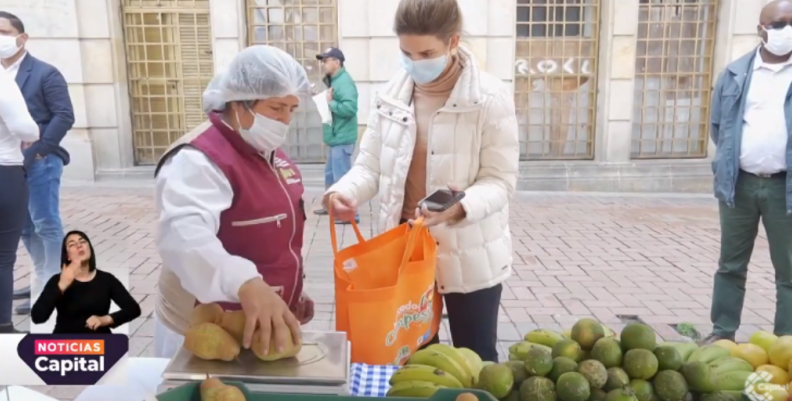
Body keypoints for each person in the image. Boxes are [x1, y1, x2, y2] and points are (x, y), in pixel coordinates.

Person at [323, 0, 519, 362]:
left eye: (426, 52)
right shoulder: (391, 96)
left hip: (469, 248)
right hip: (406, 247)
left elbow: (500, 180)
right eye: (406, 52)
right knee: (412, 355)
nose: (415, 63)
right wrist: (343, 191)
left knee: (475, 358)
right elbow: (369, 165)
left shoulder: (489, 98)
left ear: (454, 41)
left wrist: (459, 208)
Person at [153, 45, 314, 359]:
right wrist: (247, 283)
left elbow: (270, 230)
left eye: (292, 109)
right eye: (276, 108)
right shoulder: (198, 160)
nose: (285, 120)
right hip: (207, 329)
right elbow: (184, 237)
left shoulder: (264, 148)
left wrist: (289, 288)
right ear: (239, 104)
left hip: (256, 328)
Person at [703, 0, 792, 344]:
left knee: (788, 270)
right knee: (730, 265)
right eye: (780, 24)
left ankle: (786, 340)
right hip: (738, 186)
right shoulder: (735, 73)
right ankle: (723, 332)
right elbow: (718, 126)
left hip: (784, 188)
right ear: (762, 29)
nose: (787, 31)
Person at [0, 11, 75, 316]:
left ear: (22, 37)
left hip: (40, 162)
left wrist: (41, 150)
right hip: (10, 166)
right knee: (26, 228)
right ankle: (41, 280)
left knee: (46, 223)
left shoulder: (45, 73)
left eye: (3, 31)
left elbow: (64, 116)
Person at [30, 230, 141, 334]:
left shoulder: (107, 279)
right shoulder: (58, 280)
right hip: (65, 345)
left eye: (82, 241)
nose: (79, 245)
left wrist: (105, 320)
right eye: (72, 244)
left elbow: (133, 309)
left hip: (99, 345)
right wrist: (61, 286)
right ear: (68, 256)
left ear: (90, 249)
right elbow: (38, 317)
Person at [0, 65, 38, 334]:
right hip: (4, 170)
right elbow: (25, 128)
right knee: (2, 257)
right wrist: (30, 135)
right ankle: (2, 326)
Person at [312, 47, 359, 224]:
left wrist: (330, 103)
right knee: (331, 175)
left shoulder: (344, 82)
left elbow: (349, 109)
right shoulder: (335, 81)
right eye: (323, 60)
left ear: (337, 62)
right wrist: (321, 97)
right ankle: (331, 206)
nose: (323, 63)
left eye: (326, 60)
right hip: (336, 137)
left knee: (342, 177)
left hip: (342, 137)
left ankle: (350, 214)